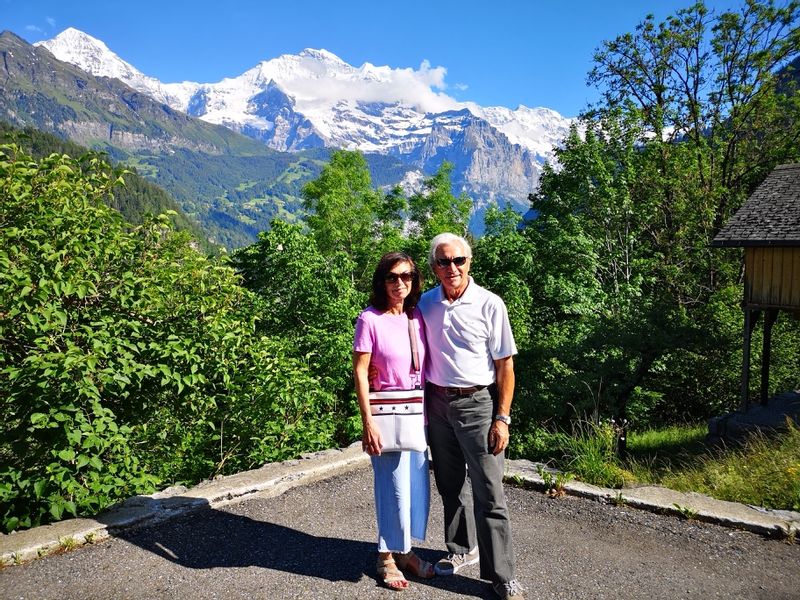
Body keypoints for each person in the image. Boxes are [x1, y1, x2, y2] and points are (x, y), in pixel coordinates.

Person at [417, 233, 525, 600]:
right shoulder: (426, 304)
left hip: (478, 404)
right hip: (436, 402)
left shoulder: (491, 304)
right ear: (434, 268)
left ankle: (502, 574)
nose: (452, 268)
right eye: (444, 262)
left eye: (459, 260)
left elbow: (505, 365)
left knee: (489, 490)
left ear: (470, 262)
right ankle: (461, 549)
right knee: (449, 484)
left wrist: (502, 417)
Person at [353, 251, 435, 591]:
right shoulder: (369, 319)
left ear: (414, 280)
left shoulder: (416, 318)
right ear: (381, 282)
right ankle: (386, 556)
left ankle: (405, 551)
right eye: (392, 277)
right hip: (386, 414)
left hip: (417, 414)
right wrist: (367, 423)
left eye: (406, 276)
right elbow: (360, 371)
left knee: (415, 489)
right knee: (393, 488)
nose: (399, 283)